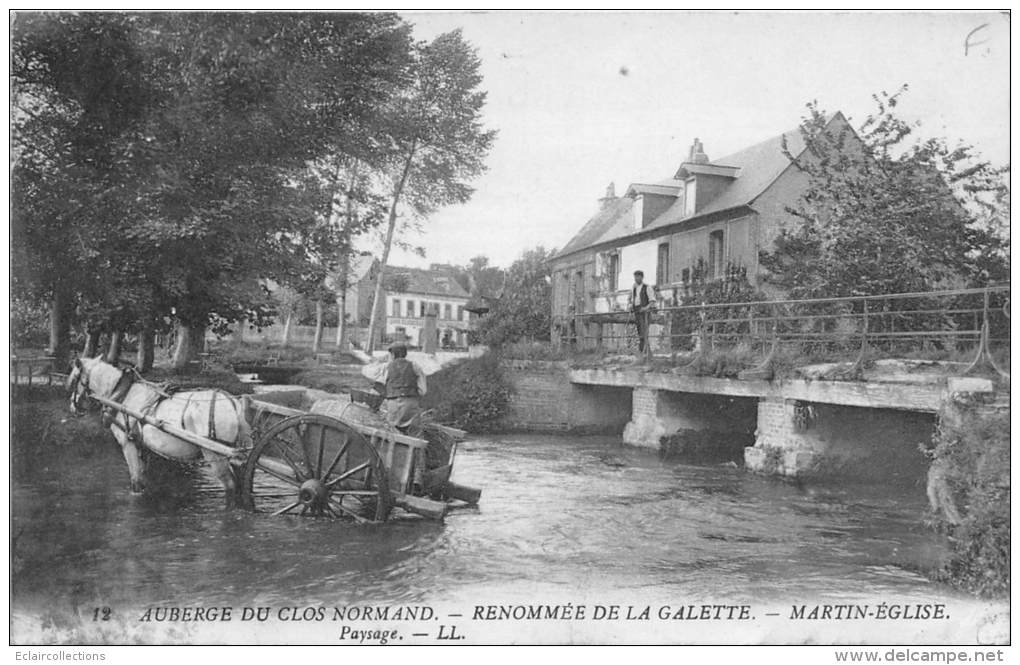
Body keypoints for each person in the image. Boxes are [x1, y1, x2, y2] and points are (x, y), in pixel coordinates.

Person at [362, 343, 428, 432]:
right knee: (412, 430)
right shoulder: (415, 366)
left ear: (392, 355)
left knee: (392, 430)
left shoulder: (387, 367)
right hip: (411, 403)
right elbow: (423, 390)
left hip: (393, 403)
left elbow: (368, 373)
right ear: (405, 354)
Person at [627, 270, 657, 354]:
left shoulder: (647, 287)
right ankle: (644, 352)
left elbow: (652, 301)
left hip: (645, 313)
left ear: (642, 277)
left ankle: (646, 352)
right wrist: (630, 306)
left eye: (638, 277)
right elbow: (631, 299)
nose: (636, 279)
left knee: (644, 332)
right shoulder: (634, 287)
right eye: (635, 277)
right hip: (637, 312)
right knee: (640, 332)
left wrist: (645, 308)